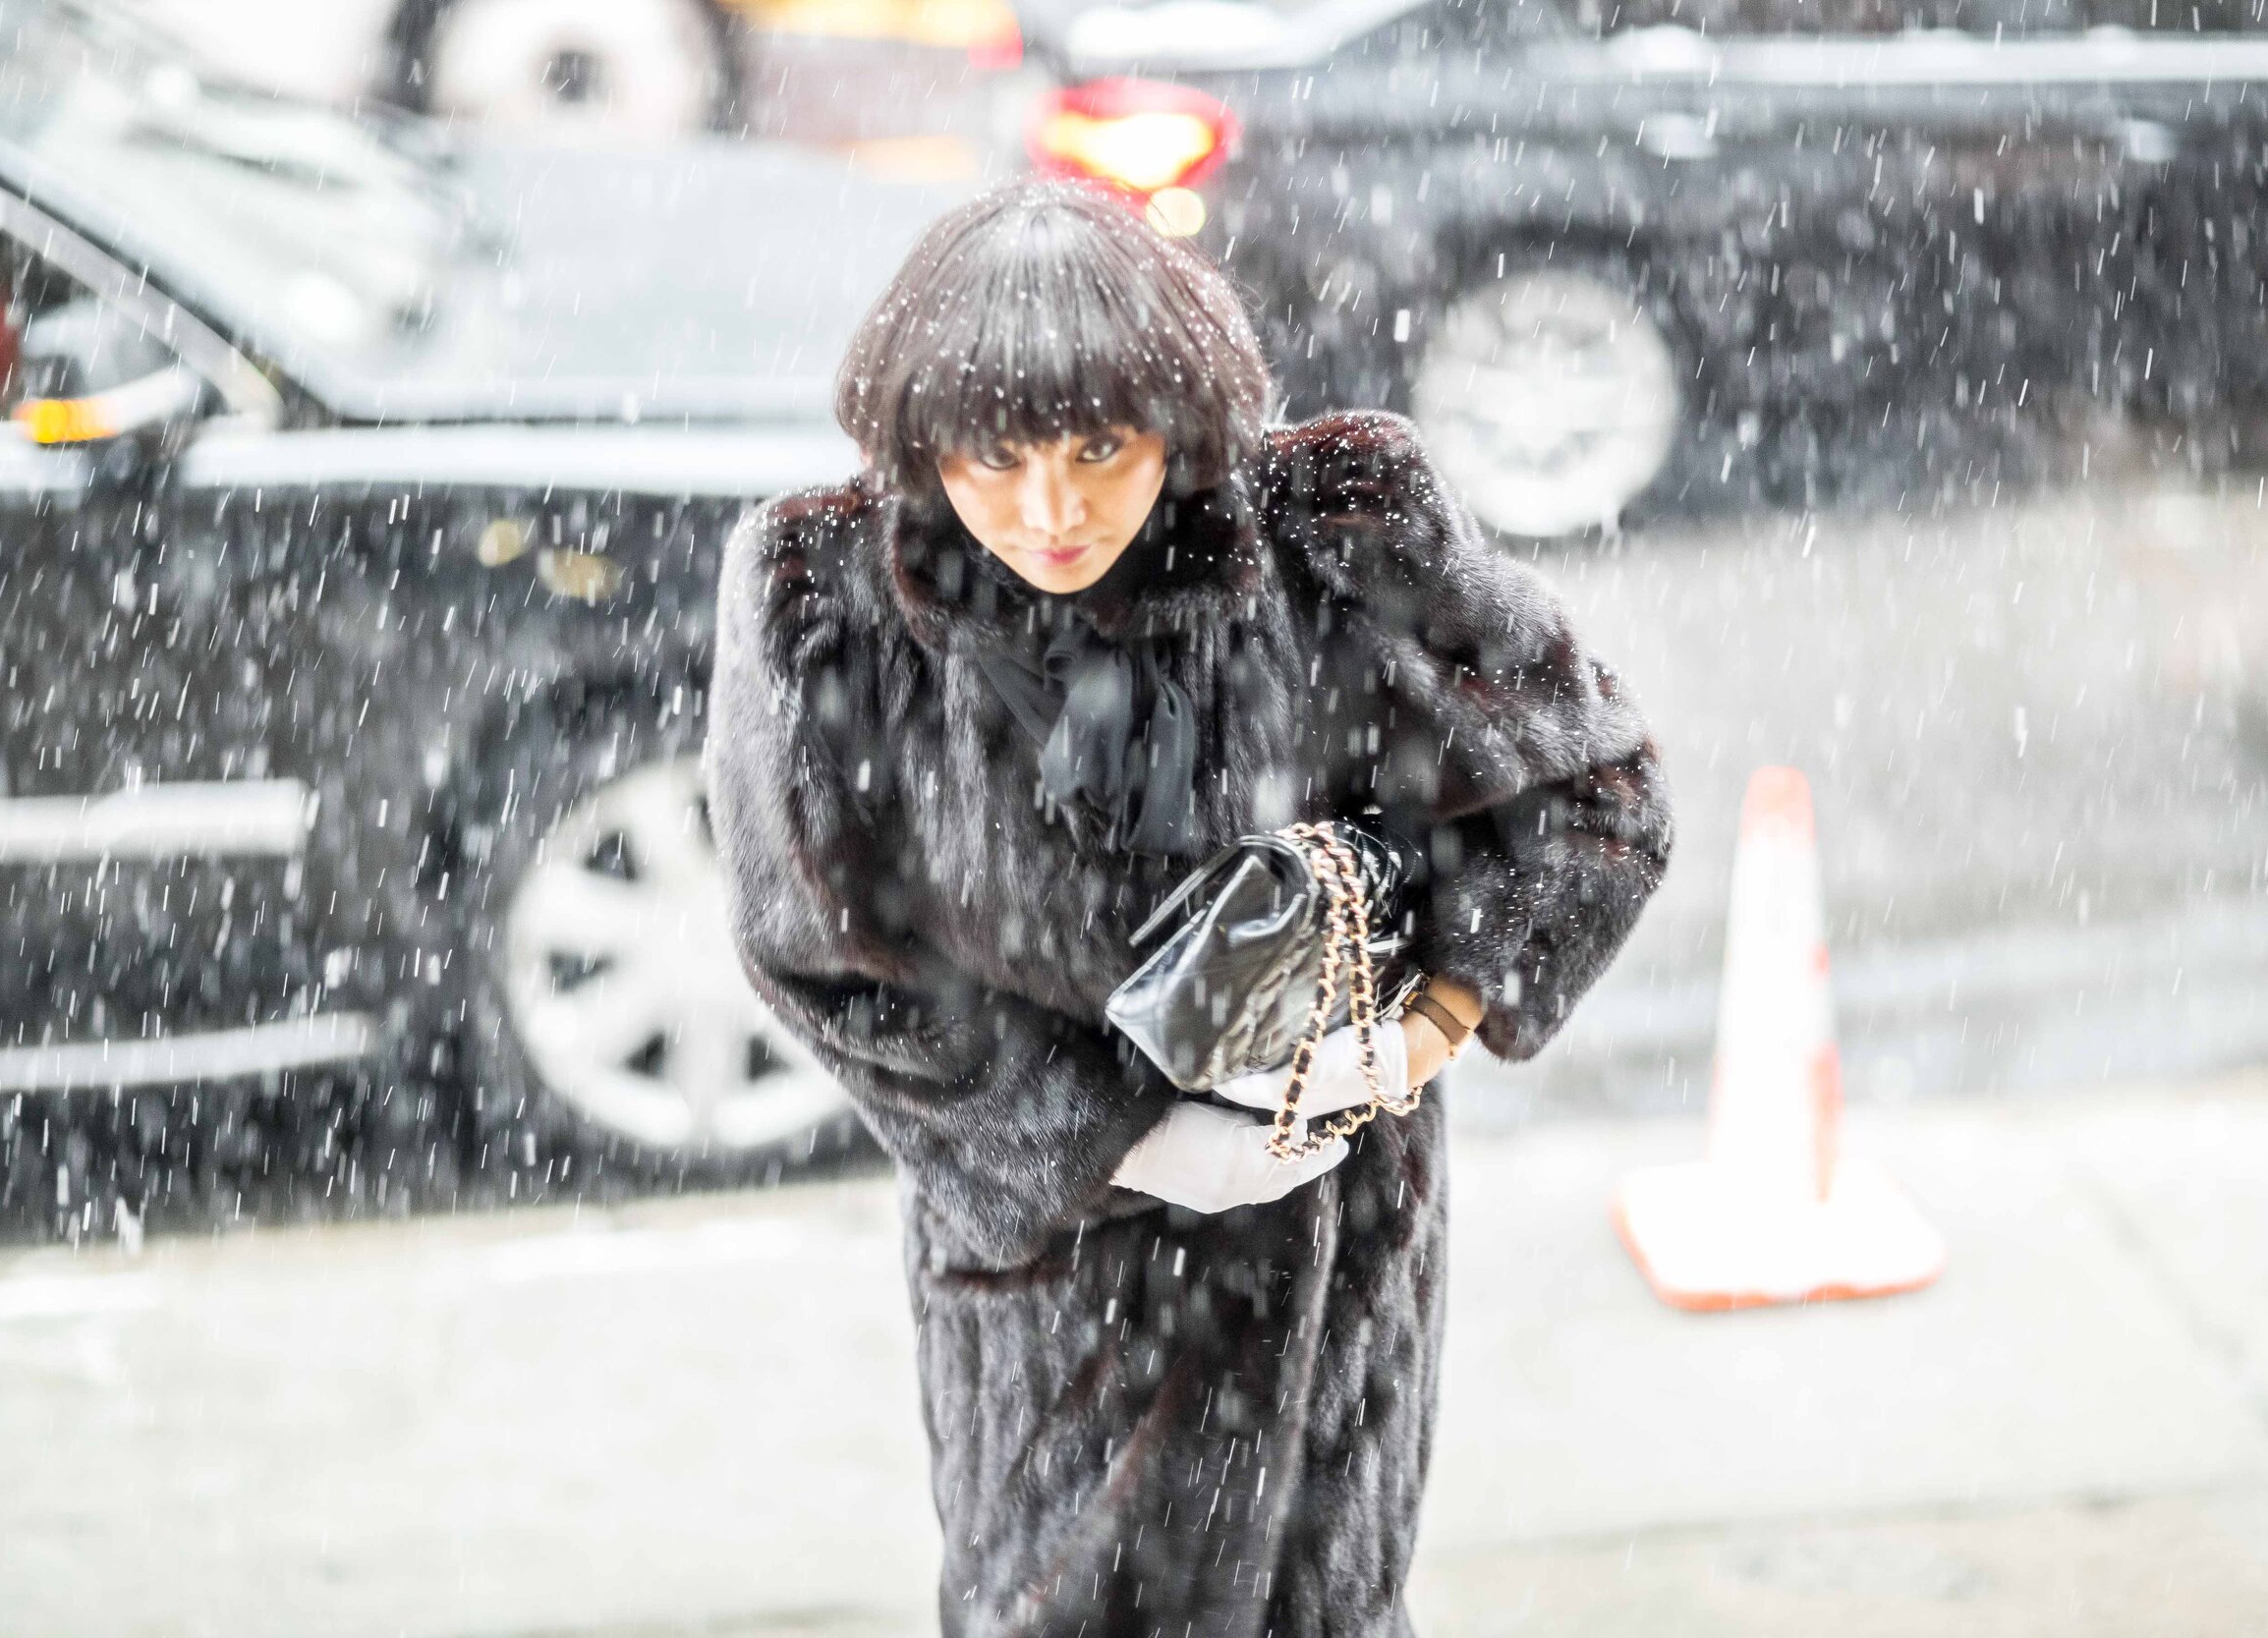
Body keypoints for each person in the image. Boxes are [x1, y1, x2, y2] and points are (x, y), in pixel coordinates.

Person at [705, 180, 1671, 1636]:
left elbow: (1597, 798)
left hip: (1324, 1264)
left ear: (1179, 420)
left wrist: (1419, 1033)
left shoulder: (1336, 541)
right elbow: (826, 966)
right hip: (1051, 1294)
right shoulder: (825, 605)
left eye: (1102, 447)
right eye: (993, 454)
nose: (1052, 510)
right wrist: (1111, 1139)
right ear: (921, 442)